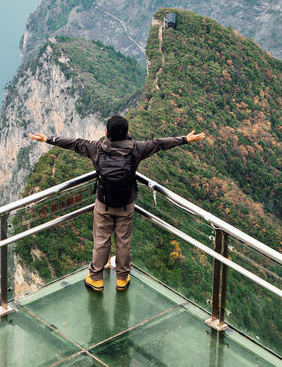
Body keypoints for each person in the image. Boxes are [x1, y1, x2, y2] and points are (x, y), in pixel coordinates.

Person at [29, 115, 205, 292]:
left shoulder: (96, 148)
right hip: (126, 204)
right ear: (127, 132)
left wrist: (47, 139)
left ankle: (96, 278)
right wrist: (185, 139)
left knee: (101, 241)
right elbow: (159, 144)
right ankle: (122, 278)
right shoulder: (136, 149)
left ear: (107, 133)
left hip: (103, 204)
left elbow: (74, 143)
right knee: (123, 242)